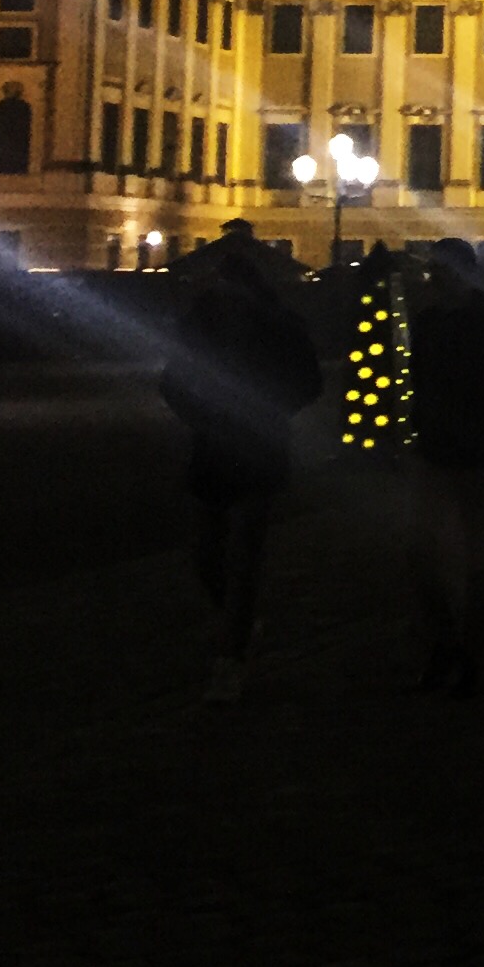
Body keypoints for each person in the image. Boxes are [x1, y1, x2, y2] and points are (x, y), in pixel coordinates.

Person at [157, 221, 322, 703]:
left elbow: (308, 384)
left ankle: (232, 652)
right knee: (210, 554)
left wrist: (265, 410)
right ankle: (240, 624)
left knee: (240, 554)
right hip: (220, 445)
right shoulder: (206, 326)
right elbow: (173, 381)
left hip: (254, 446)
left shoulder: (274, 327)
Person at [406, 239, 484, 695]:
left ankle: (469, 656)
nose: (432, 279)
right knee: (424, 558)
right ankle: (447, 645)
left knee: (482, 566)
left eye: (438, 271)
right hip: (440, 453)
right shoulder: (430, 323)